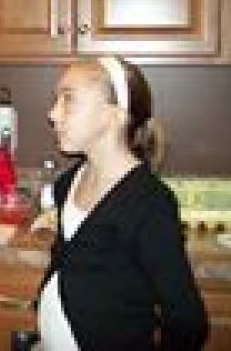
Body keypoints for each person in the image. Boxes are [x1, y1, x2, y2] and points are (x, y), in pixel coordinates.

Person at [36, 56, 208, 351]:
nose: (53, 113)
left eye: (69, 100)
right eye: (56, 100)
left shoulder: (150, 203)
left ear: (115, 115)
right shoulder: (73, 179)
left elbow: (188, 322)